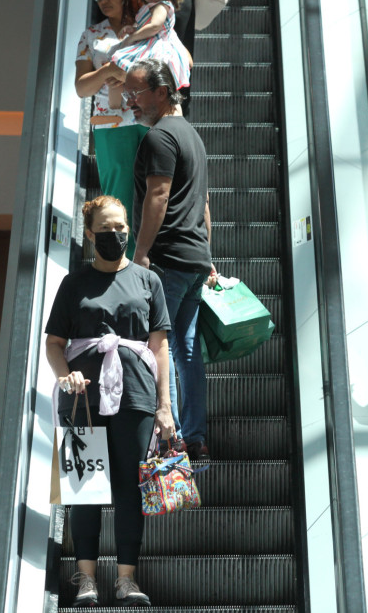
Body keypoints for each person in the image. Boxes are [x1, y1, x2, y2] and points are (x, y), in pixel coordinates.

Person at [45, 195, 174, 607]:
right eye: (106, 230)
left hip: (135, 394)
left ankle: (126, 578)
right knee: (84, 488)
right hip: (81, 398)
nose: (115, 235)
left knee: (129, 488)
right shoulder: (74, 283)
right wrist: (65, 375)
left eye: (121, 228)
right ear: (89, 234)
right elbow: (54, 343)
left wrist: (164, 405)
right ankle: (85, 579)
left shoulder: (146, 280)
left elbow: (160, 346)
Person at [124, 58, 217, 463]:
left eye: (137, 93)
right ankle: (194, 435)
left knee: (158, 345)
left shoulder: (159, 138)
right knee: (187, 348)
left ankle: (171, 436)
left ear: (162, 92)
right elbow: (206, 206)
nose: (131, 101)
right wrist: (207, 257)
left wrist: (140, 253)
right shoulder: (193, 137)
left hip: (168, 259)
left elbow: (157, 198)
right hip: (194, 257)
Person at [75, 0, 147, 254]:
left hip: (149, 119)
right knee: (118, 198)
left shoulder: (149, 25)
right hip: (112, 124)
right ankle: (125, 262)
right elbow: (82, 88)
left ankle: (156, 261)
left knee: (157, 192)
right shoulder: (91, 35)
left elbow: (179, 59)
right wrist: (108, 70)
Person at [110, 0, 192, 92]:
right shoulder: (150, 7)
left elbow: (154, 27)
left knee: (141, 73)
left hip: (158, 46)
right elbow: (147, 26)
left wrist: (132, 38)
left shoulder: (161, 6)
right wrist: (134, 29)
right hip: (150, 42)